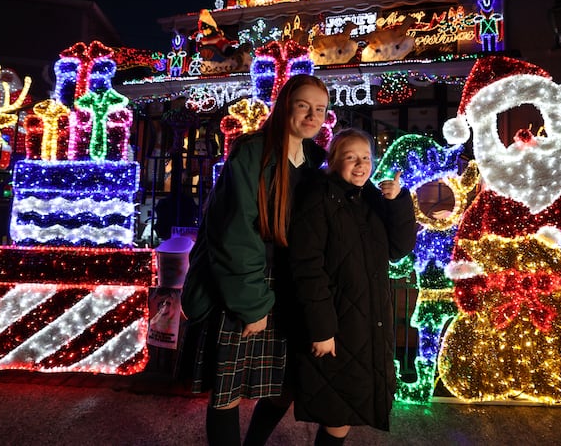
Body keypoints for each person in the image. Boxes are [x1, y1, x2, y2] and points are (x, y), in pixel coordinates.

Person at [177, 74, 330, 446]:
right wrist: (252, 304)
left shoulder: (317, 161)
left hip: (291, 287)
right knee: (227, 391)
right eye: (303, 106)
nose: (312, 116)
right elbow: (234, 233)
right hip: (247, 284)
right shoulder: (252, 152)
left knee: (286, 383)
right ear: (285, 108)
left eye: (320, 109)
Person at [286, 128, 418, 445]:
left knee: (338, 412)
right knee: (335, 413)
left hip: (364, 322)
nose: (360, 165)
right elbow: (307, 268)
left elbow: (398, 249)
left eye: (365, 158)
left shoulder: (369, 196)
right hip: (337, 323)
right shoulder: (319, 198)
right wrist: (321, 329)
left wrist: (398, 201)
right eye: (350, 157)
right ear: (334, 161)